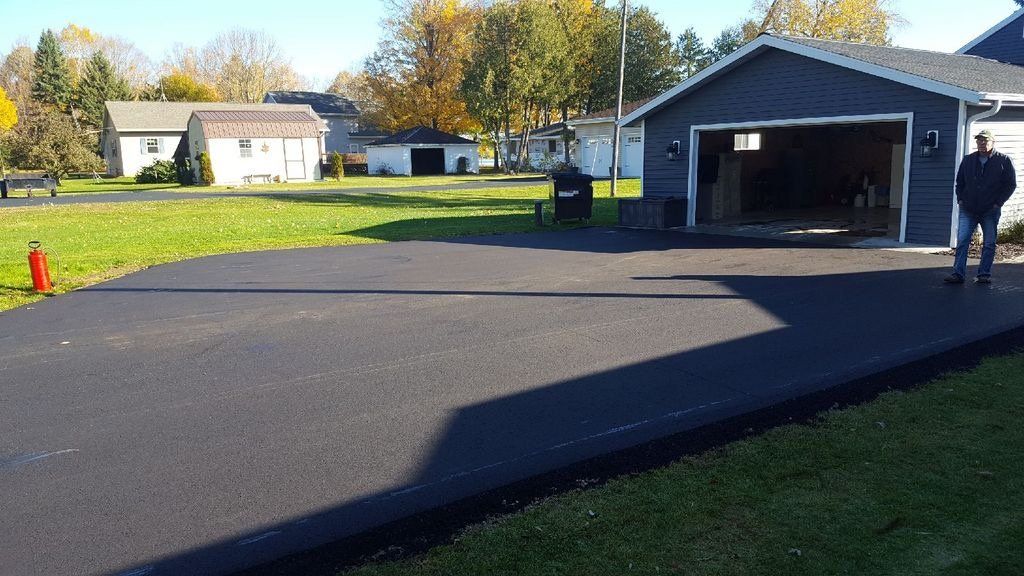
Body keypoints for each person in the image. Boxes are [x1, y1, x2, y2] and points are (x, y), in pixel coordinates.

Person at [945, 129, 1016, 284]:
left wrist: (998, 203)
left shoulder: (1003, 161)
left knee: (989, 243)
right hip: (968, 209)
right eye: (979, 141)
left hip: (990, 210)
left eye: (985, 141)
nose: (982, 144)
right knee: (963, 241)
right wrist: (960, 199)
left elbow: (1010, 185)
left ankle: (984, 274)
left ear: (992, 142)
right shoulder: (968, 160)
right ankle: (958, 274)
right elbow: (960, 182)